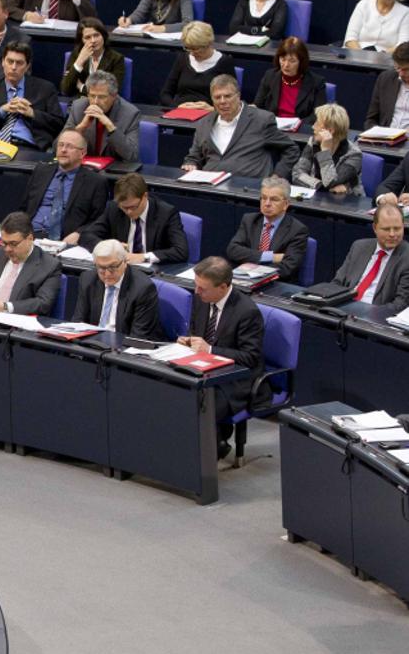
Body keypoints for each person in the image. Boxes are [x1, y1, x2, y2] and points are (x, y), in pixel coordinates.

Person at [178, 256, 267, 458]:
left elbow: (249, 357)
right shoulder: (202, 300)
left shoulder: (247, 312)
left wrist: (209, 349)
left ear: (223, 287)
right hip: (203, 371)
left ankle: (207, 453)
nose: (196, 292)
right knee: (173, 393)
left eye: (203, 288)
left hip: (235, 380)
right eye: (196, 286)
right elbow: (196, 331)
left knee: (198, 405)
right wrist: (189, 341)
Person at [182, 74, 299, 177]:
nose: (222, 101)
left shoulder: (261, 120)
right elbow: (194, 156)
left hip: (247, 189)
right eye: (217, 97)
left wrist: (277, 177)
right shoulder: (204, 123)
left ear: (238, 95)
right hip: (210, 188)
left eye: (227, 96)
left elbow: (291, 149)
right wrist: (190, 163)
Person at [76, 172, 190, 264]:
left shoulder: (166, 213)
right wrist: (111, 247)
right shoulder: (114, 209)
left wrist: (143, 257)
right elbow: (86, 235)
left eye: (133, 207)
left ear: (145, 196)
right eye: (124, 208)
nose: (129, 212)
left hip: (151, 274)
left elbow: (181, 251)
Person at [21, 129, 110, 241]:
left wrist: (79, 233)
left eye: (69, 147)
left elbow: (99, 220)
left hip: (65, 240)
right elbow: (24, 207)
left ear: (82, 153)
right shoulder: (41, 171)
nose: (63, 150)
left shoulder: (95, 182)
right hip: (30, 236)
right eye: (61, 145)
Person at [0, 41, 63, 149]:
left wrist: (32, 113)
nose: (13, 67)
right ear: (3, 62)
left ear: (27, 66)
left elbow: (58, 124)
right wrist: (2, 110)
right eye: (10, 61)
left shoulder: (45, 89)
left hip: (28, 146)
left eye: (19, 63)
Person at [225, 176, 311, 281]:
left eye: (274, 199)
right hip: (246, 278)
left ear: (286, 204)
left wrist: (255, 271)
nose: (267, 204)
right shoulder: (250, 220)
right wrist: (270, 257)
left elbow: (287, 267)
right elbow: (233, 250)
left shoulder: (297, 230)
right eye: (264, 198)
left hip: (276, 283)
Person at [72, 239, 163, 337]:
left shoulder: (142, 288)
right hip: (92, 344)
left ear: (124, 262)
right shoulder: (87, 279)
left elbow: (138, 337)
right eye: (101, 268)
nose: (107, 274)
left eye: (112, 267)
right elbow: (78, 322)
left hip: (123, 345)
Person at [332, 203, 409, 304]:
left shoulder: (406, 256)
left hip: (376, 315)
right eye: (386, 229)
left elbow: (400, 303)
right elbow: (337, 282)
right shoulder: (359, 247)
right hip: (343, 309)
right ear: (375, 228)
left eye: (397, 228)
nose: (392, 234)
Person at [64, 71, 140, 161]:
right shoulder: (78, 107)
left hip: (112, 171)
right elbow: (57, 147)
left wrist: (111, 127)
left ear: (114, 96)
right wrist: (81, 128)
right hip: (83, 169)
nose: (95, 102)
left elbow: (132, 156)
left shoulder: (130, 113)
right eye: (92, 96)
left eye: (102, 97)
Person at [291, 103, 364, 196]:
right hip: (316, 197)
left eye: (317, 123)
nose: (313, 127)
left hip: (345, 203)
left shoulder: (354, 155)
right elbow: (297, 173)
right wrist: (319, 185)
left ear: (330, 130)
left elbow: (330, 182)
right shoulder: (313, 143)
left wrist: (325, 151)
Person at [159, 20, 235, 109]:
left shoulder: (224, 62)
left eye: (196, 49)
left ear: (208, 44)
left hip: (208, 115)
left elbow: (232, 100)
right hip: (180, 111)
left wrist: (213, 109)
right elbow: (165, 94)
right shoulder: (183, 58)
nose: (192, 53)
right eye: (188, 48)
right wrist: (177, 107)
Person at [251, 36, 327, 122]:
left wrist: (297, 124)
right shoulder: (270, 76)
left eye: (292, 61)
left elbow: (318, 115)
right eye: (283, 59)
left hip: (300, 130)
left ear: (301, 62)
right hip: (272, 126)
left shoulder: (316, 82)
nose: (286, 65)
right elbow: (258, 105)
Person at [344, 0, 409, 52]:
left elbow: (402, 45)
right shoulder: (363, 5)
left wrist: (381, 56)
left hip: (387, 58)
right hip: (357, 53)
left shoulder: (405, 12)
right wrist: (360, 55)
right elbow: (350, 38)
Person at [60, 17, 125, 97]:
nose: (93, 40)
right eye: (87, 37)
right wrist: (79, 61)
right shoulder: (76, 55)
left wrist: (82, 87)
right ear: (81, 40)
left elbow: (111, 93)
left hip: (105, 105)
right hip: (80, 104)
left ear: (103, 36)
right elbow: (65, 90)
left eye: (96, 35)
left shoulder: (116, 59)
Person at [364, 40, 409, 128]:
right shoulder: (386, 79)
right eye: (398, 68)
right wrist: (375, 133)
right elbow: (371, 119)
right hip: (386, 137)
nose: (401, 74)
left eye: (406, 69)